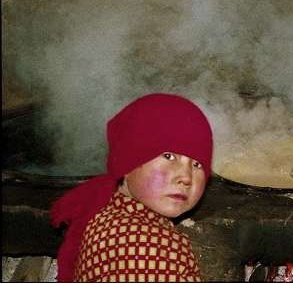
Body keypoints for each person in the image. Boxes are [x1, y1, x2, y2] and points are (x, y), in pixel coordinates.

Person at [50, 93, 214, 282]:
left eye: (197, 164)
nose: (186, 177)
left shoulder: (111, 213)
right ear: (127, 164)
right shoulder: (146, 249)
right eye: (169, 156)